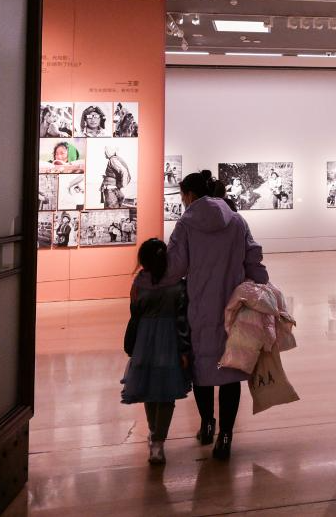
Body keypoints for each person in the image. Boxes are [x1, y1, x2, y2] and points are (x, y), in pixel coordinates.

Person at [161, 170, 269, 460]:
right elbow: (253, 257)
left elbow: (175, 267)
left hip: (199, 306)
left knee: (202, 368)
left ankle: (207, 424)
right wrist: (263, 285)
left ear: (189, 195)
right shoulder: (237, 220)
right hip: (234, 306)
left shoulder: (186, 224)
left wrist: (152, 281)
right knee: (230, 369)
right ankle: (226, 435)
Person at [121, 239, 192, 465]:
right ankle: (159, 442)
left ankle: (153, 434)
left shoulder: (138, 284)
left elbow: (134, 314)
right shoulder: (178, 285)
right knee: (167, 392)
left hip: (144, 341)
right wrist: (184, 349)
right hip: (169, 341)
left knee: (148, 389)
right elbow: (182, 320)